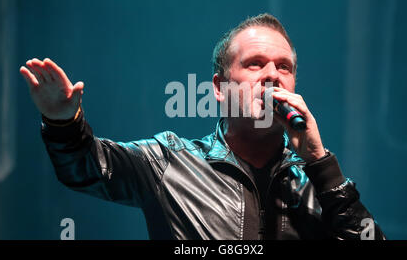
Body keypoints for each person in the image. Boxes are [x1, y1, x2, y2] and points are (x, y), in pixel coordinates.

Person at [19, 14, 385, 240]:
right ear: (220, 88)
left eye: (284, 67)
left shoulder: (318, 188)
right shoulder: (170, 163)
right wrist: (62, 120)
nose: (273, 75)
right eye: (256, 64)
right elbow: (85, 167)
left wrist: (320, 163)